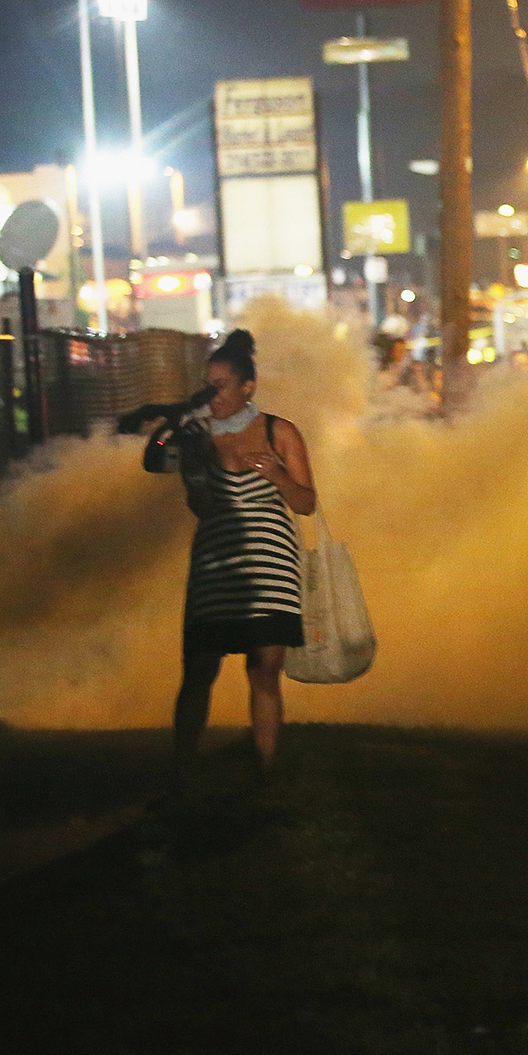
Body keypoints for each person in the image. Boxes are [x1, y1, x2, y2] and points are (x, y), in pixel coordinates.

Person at [150, 329, 317, 790]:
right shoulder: (198, 437)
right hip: (217, 560)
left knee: (263, 670)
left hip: (270, 563)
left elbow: (305, 503)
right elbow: (194, 501)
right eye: (207, 385)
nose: (212, 395)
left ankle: (266, 769)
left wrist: (277, 475)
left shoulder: (278, 432)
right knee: (199, 667)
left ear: (248, 387)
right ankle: (181, 770)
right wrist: (187, 457)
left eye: (220, 385)